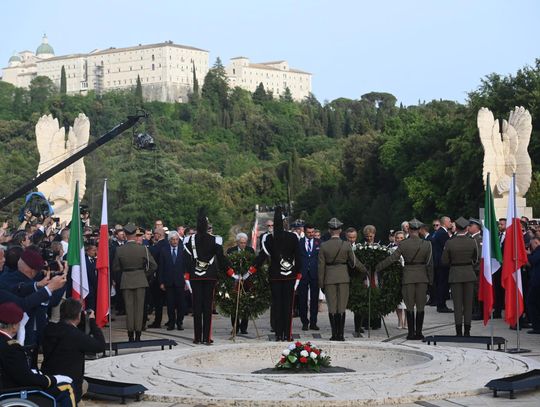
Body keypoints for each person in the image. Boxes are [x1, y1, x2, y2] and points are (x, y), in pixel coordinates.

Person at [0, 302, 76, 407]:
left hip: (8, 386)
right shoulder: (11, 348)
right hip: (12, 392)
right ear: (13, 326)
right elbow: (25, 378)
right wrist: (53, 379)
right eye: (19, 323)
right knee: (66, 387)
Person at [249, 207, 301, 342]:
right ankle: (287, 334)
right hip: (290, 276)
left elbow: (262, 257)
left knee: (277, 305)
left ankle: (278, 334)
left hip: (275, 276)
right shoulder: (293, 237)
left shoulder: (267, 238)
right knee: (288, 306)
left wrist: (250, 270)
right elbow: (299, 257)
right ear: (284, 223)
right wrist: (299, 274)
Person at [376, 219, 433, 340]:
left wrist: (378, 267)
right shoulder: (427, 244)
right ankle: (419, 333)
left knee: (409, 306)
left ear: (409, 229)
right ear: (419, 230)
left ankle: (411, 333)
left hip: (408, 276)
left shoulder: (403, 244)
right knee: (421, 307)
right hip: (422, 277)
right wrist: (431, 281)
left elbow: (392, 258)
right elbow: (429, 265)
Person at [41, 298, 106, 402]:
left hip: (49, 380)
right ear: (78, 316)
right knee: (85, 385)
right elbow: (100, 346)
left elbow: (69, 328)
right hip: (69, 385)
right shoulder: (76, 336)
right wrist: (92, 322)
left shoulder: (49, 329)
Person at [184, 210, 233, 345]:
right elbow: (221, 258)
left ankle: (197, 337)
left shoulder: (190, 240)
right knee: (207, 307)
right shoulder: (214, 239)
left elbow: (186, 260)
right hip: (210, 276)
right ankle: (207, 337)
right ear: (207, 226)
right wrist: (230, 271)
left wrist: (187, 273)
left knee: (197, 307)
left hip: (195, 276)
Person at [0, 247, 66, 347]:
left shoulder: (8, 278)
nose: (4, 260)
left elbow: (22, 287)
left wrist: (39, 284)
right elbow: (23, 303)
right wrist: (54, 285)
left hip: (26, 336)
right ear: (30, 270)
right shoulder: (8, 280)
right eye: (1, 258)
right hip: (19, 338)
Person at [319, 218, 367, 341]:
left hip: (329, 278)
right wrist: (366, 270)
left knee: (332, 307)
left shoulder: (324, 246)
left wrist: (321, 283)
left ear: (330, 230)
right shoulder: (346, 245)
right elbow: (354, 262)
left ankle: (334, 334)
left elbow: (321, 267)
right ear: (340, 230)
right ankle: (341, 335)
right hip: (343, 278)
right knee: (341, 307)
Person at [112, 223, 157, 342]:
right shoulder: (142, 249)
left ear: (126, 235)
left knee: (129, 308)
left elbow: (115, 267)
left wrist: (124, 271)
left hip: (126, 280)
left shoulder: (119, 250)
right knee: (139, 308)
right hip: (140, 280)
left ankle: (130, 334)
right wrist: (143, 274)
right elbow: (153, 265)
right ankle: (138, 334)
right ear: (135, 235)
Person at [441, 217, 479, 337]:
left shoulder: (450, 242)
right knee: (468, 304)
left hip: (455, 274)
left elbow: (444, 261)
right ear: (467, 228)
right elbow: (476, 258)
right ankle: (467, 331)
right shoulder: (472, 241)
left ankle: (458, 331)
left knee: (457, 305)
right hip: (469, 273)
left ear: (456, 228)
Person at [226, 232, 255, 335]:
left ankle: (244, 327)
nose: (243, 245)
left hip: (247, 280)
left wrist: (247, 274)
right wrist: (234, 275)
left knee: (246, 303)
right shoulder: (231, 251)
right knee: (234, 304)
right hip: (235, 280)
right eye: (241, 243)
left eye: (245, 243)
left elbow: (253, 264)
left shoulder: (250, 250)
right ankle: (235, 327)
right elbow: (227, 265)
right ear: (237, 242)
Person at [158, 231, 186, 331]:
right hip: (168, 282)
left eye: (176, 239)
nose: (175, 241)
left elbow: (186, 267)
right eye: (173, 240)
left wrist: (187, 281)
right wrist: (161, 282)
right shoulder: (164, 250)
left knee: (181, 304)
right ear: (169, 240)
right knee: (170, 304)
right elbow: (161, 267)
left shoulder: (183, 250)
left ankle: (180, 322)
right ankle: (171, 323)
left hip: (180, 282)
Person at [298, 224, 321, 331]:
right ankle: (304, 322)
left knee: (314, 299)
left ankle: (313, 322)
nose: (311, 234)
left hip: (314, 274)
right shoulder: (299, 242)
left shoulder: (319, 243)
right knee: (302, 299)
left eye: (312, 232)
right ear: (305, 232)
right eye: (309, 232)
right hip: (302, 274)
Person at [432, 216, 453, 313]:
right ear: (444, 223)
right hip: (442, 263)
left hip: (439, 263)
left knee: (441, 284)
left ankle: (441, 304)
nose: (451, 223)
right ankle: (441, 305)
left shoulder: (440, 232)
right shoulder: (442, 233)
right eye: (449, 221)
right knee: (442, 284)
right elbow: (447, 248)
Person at [527, 236, 540, 334]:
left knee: (532, 303)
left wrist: (527, 254)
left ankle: (537, 327)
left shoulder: (538, 251)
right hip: (535, 280)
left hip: (537, 282)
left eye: (532, 245)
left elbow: (533, 261)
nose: (531, 247)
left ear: (536, 242)